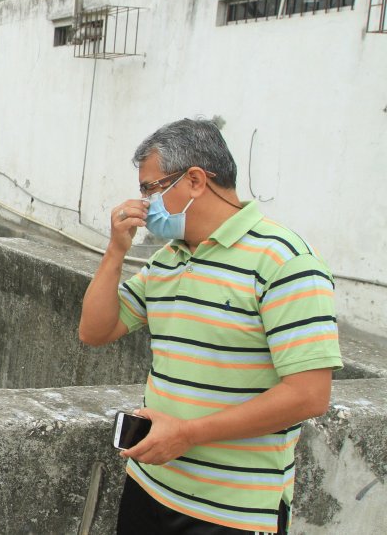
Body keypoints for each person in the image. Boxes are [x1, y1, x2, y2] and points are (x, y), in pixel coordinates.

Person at [79, 118, 341, 534]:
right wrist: (115, 250)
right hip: (150, 487)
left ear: (196, 180)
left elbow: (308, 395)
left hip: (231, 511)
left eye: (151, 188)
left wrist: (188, 433)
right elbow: (95, 331)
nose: (144, 204)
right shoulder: (168, 259)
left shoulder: (284, 260)